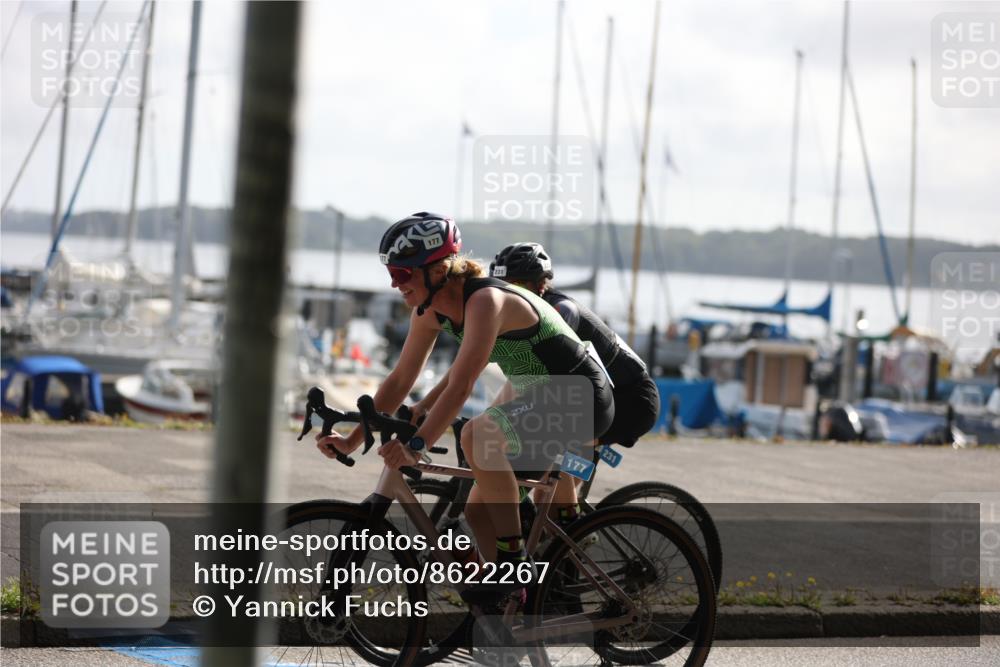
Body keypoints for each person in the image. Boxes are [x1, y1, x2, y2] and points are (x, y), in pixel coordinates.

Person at [314, 213, 614, 590]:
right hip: (541, 400)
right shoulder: (427, 312)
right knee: (478, 510)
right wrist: (351, 440)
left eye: (403, 274)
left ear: (438, 269)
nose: (394, 283)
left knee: (477, 434)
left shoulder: (486, 301)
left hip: (581, 397)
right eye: (391, 273)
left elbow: (460, 386)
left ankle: (513, 566)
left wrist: (418, 445)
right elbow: (399, 380)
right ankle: (508, 610)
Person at [490, 242, 660, 523]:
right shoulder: (522, 315)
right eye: (503, 284)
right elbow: (522, 380)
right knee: (545, 497)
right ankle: (557, 546)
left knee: (552, 464)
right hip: (593, 398)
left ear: (541, 285)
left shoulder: (559, 311)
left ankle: (573, 539)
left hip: (630, 401)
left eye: (518, 284)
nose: (510, 291)